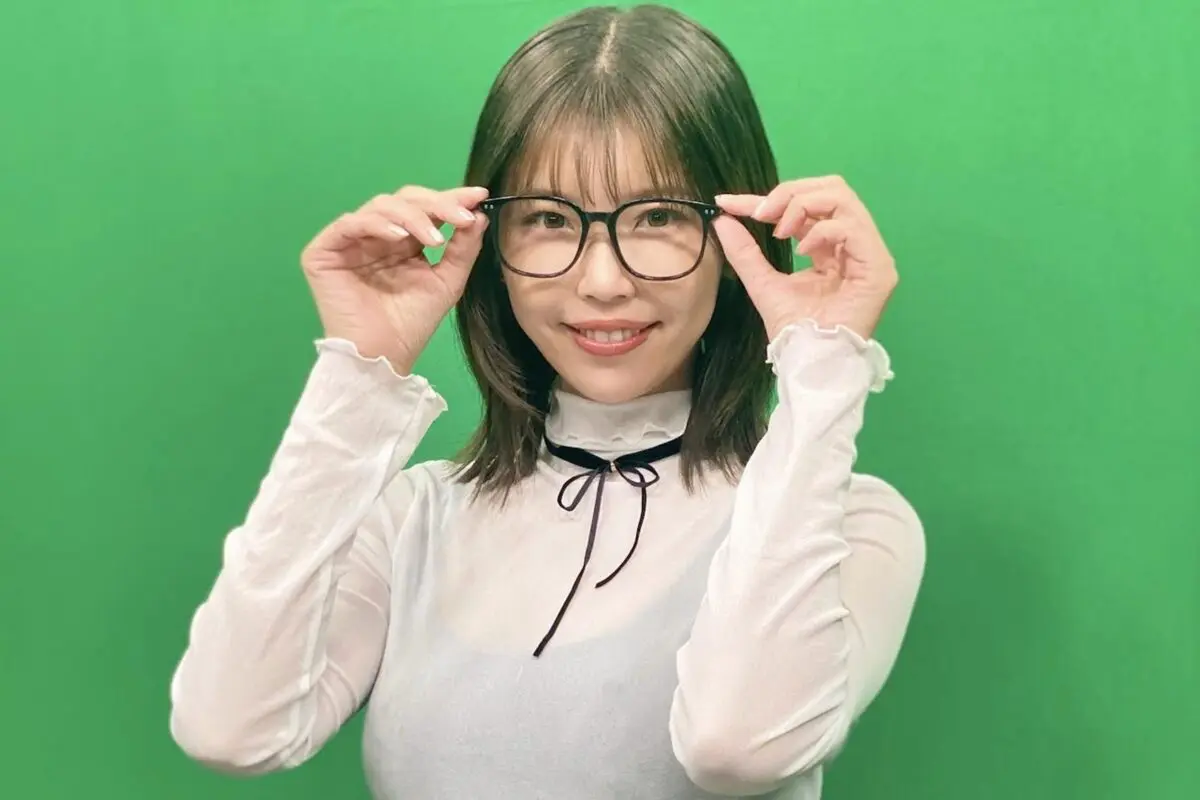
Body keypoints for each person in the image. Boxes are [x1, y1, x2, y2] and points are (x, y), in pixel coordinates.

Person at [168, 4, 925, 799]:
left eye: (660, 215)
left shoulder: (850, 524)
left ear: (736, 241)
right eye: (548, 219)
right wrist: (360, 374)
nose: (602, 281)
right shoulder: (412, 520)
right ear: (491, 245)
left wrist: (822, 370)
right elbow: (230, 729)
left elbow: (739, 748)